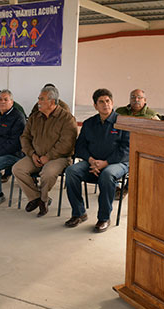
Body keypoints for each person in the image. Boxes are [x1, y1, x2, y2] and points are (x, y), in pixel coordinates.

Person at [64, 89, 129, 233]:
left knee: (107, 175)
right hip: (92, 162)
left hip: (117, 164)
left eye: (108, 101)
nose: (105, 104)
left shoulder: (123, 123)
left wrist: (105, 163)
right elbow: (80, 146)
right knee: (71, 171)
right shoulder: (89, 123)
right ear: (95, 106)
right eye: (101, 102)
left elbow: (126, 149)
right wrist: (91, 160)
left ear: (112, 103)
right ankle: (79, 213)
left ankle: (104, 218)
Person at [12, 85, 77, 217]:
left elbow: (66, 144)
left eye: (41, 99)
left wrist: (49, 156)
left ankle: (43, 200)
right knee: (17, 169)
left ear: (52, 102)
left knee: (47, 173)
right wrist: (32, 154)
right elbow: (25, 137)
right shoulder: (35, 117)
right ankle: (36, 198)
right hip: (35, 156)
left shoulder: (67, 118)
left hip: (59, 158)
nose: (38, 102)